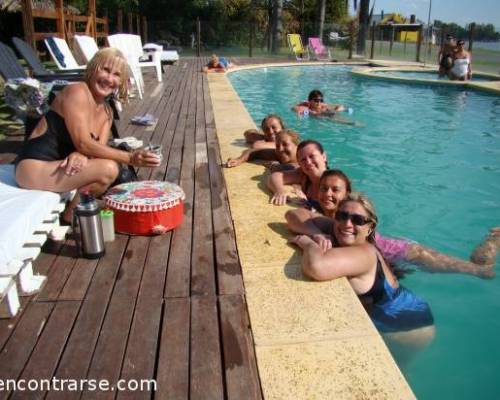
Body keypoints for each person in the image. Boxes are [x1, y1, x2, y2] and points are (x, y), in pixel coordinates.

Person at [15, 48, 161, 224]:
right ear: (93, 68)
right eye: (105, 70)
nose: (109, 79)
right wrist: (130, 157)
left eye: (116, 75)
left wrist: (80, 153)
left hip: (60, 168)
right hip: (33, 167)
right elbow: (84, 142)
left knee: (107, 169)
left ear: (121, 81)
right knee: (109, 169)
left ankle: (72, 215)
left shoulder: (107, 111)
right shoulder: (76, 91)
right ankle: (74, 217)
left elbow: (93, 150)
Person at [285, 169, 499, 279]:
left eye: (335, 190)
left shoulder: (346, 216)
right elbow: (292, 215)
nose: (327, 194)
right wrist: (316, 234)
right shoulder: (334, 220)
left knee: (480, 271)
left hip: (405, 252)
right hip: (384, 253)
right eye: (323, 188)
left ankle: (494, 239)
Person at [290, 192, 435, 349]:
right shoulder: (339, 229)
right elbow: (293, 214)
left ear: (369, 227)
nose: (347, 224)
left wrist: (308, 244)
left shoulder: (364, 253)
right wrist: (317, 234)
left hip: (407, 323)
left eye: (357, 220)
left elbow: (315, 267)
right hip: (400, 308)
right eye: (342, 215)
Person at [267, 139, 327, 206]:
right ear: (299, 163)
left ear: (324, 156)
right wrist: (279, 190)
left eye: (312, 156)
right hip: (289, 167)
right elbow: (275, 176)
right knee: (278, 167)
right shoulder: (303, 176)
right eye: (303, 159)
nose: (308, 162)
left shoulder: (335, 182)